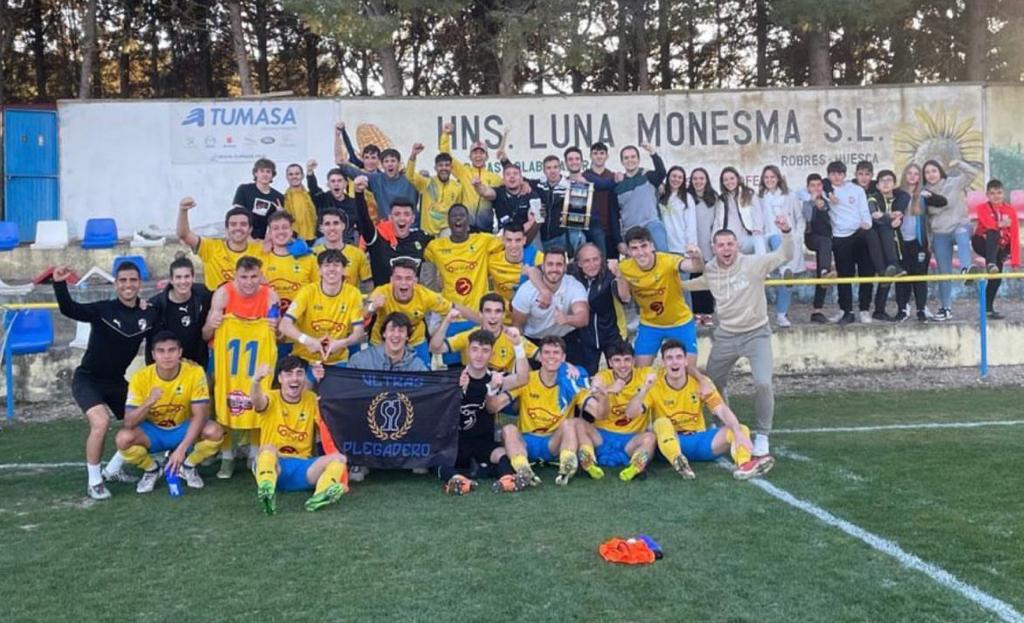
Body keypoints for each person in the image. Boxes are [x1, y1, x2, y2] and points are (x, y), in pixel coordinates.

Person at [680, 214, 793, 460]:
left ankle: (762, 434)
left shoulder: (754, 263)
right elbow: (696, 282)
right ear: (714, 248)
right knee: (711, 382)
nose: (726, 249)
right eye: (720, 245)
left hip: (757, 334)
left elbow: (785, 255)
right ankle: (723, 424)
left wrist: (786, 232)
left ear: (737, 245)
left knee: (763, 383)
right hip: (726, 336)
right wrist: (673, 284)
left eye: (730, 244)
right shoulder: (710, 269)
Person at [53, 261, 157, 499]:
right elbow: (70, 309)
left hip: (116, 381)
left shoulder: (148, 312)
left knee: (144, 419)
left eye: (133, 280)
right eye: (123, 281)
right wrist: (59, 283)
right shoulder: (103, 309)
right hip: (88, 379)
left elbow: (160, 326)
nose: (128, 285)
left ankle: (113, 469)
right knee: (100, 422)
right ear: (116, 284)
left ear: (139, 283)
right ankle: (95, 481)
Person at [625, 340, 773, 480]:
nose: (674, 362)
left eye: (678, 357)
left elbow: (722, 410)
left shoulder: (701, 383)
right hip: (668, 445)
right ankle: (678, 460)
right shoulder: (654, 385)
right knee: (661, 422)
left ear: (685, 361)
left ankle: (744, 466)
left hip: (698, 441)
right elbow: (630, 414)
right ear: (663, 363)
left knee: (740, 428)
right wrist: (644, 389)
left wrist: (738, 432)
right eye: (669, 358)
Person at [202, 256, 280, 480]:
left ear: (261, 275)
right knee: (222, 401)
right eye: (243, 277)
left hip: (257, 360)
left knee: (259, 401)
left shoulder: (270, 296)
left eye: (254, 276)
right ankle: (226, 455)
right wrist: (211, 324)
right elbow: (205, 334)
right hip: (227, 360)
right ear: (235, 276)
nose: (249, 282)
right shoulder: (223, 294)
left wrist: (275, 328)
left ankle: (255, 453)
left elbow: (279, 336)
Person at [116, 331, 223, 494]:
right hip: (153, 433)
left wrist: (182, 449)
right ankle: (152, 469)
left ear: (180, 352)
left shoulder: (195, 372)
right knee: (123, 439)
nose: (167, 356)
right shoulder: (140, 377)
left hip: (182, 428)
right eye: (161, 351)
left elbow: (200, 415)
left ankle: (188, 466)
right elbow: (129, 422)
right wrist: (149, 402)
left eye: (172, 350)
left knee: (214, 432)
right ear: (153, 354)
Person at [251, 357, 349, 514]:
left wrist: (321, 380)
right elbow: (257, 402)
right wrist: (256, 381)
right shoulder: (271, 397)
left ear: (304, 377)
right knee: (267, 449)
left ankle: (320, 495)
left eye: (299, 373)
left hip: (304, 470)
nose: (294, 378)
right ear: (280, 378)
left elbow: (329, 419)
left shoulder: (311, 399)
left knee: (340, 459)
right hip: (276, 467)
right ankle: (266, 488)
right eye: (289, 374)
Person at [441, 329, 531, 495]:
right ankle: (458, 481)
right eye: (475, 349)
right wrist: (458, 390)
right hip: (456, 442)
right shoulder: (453, 377)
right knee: (441, 459)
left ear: (491, 354)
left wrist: (518, 346)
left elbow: (523, 378)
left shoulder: (495, 378)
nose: (479, 355)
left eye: (485, 351)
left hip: (484, 442)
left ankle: (507, 480)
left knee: (503, 455)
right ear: (468, 351)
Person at [486, 336, 585, 487]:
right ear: (540, 356)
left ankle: (567, 467)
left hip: (554, 443)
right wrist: (492, 389)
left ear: (563, 357)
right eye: (546, 352)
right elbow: (493, 407)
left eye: (556, 353)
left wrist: (600, 390)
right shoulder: (527, 379)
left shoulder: (572, 381)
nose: (551, 357)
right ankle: (523, 469)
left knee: (570, 424)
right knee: (508, 429)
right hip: (527, 442)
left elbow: (596, 411)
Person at [614, 226, 703, 368]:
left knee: (688, 371)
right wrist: (619, 276)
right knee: (639, 372)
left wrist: (697, 256)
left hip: (680, 322)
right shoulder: (625, 267)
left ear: (652, 246)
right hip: (650, 325)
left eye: (644, 246)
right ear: (629, 251)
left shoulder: (668, 261)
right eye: (635, 248)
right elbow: (625, 298)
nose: (641, 252)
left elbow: (696, 268)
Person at [423, 205, 504, 359]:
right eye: (454, 216)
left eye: (462, 215)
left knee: (478, 364)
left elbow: (513, 240)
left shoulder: (484, 240)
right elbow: (423, 262)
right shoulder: (435, 247)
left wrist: (536, 220)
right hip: (451, 318)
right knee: (453, 369)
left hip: (477, 318)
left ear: (468, 221)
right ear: (448, 221)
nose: (458, 218)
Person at [367, 258, 475, 366]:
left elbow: (455, 307)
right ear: (391, 280)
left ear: (415, 281)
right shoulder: (381, 292)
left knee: (423, 377)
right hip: (382, 341)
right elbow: (362, 315)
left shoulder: (425, 295)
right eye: (398, 278)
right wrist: (373, 307)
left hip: (415, 341)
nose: (403, 283)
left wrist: (482, 321)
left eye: (408, 278)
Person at [577, 342, 656, 482]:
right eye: (617, 360)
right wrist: (609, 390)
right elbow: (595, 391)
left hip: (630, 439)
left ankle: (636, 466)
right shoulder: (603, 376)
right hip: (601, 437)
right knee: (578, 424)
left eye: (627, 360)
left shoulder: (644, 376)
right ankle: (588, 461)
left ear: (633, 361)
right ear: (610, 362)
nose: (623, 365)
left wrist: (643, 389)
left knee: (650, 438)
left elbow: (631, 413)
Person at [278, 249, 366, 368]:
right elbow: (284, 325)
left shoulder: (353, 293)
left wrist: (341, 343)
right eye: (327, 265)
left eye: (336, 265)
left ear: (344, 270)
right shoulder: (308, 291)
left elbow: (359, 333)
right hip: (304, 359)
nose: (331, 269)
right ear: (319, 271)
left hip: (338, 361)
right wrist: (307, 340)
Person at [924, 159, 983, 320]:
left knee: (961, 232)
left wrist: (958, 163)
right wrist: (929, 241)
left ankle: (966, 270)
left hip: (959, 226)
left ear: (940, 171)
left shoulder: (953, 183)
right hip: (939, 233)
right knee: (944, 273)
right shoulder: (924, 193)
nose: (931, 175)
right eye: (927, 172)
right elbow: (926, 221)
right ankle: (945, 308)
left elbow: (973, 174)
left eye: (934, 171)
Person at [824, 160, 882, 325]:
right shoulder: (825, 190)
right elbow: (821, 182)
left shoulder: (855, 190)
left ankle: (864, 309)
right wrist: (828, 193)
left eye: (840, 173)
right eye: (833, 173)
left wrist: (867, 224)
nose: (837, 177)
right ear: (829, 175)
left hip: (858, 233)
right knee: (844, 275)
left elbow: (864, 210)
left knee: (866, 272)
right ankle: (845, 310)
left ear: (845, 174)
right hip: (840, 237)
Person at [430, 293, 538, 372]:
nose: (493, 316)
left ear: (504, 315)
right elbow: (435, 348)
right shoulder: (468, 336)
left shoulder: (513, 337)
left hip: (501, 390)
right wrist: (446, 321)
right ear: (480, 314)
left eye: (498, 311)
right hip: (472, 388)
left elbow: (542, 356)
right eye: (488, 311)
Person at [755, 165, 806, 328]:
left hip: (788, 239)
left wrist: (797, 237)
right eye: (766, 178)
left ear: (778, 178)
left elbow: (800, 219)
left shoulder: (790, 196)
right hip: (769, 239)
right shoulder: (760, 198)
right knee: (777, 241)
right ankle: (785, 270)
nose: (769, 180)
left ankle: (781, 315)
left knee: (786, 283)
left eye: (772, 177)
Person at [177, 197, 263, 292]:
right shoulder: (211, 248)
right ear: (226, 229)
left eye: (243, 224)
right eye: (233, 224)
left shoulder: (260, 249)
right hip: (216, 304)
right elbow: (184, 235)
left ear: (250, 229)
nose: (238, 228)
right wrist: (183, 210)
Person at [356, 181, 434, 287]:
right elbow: (364, 220)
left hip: (412, 299)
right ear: (390, 218)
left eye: (406, 214)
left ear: (412, 219)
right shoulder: (378, 239)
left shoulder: (422, 237)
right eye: (397, 214)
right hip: (384, 299)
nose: (402, 218)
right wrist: (359, 193)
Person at [895, 164, 946, 322]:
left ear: (919, 177)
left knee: (920, 276)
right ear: (904, 175)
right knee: (902, 276)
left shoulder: (923, 194)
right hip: (900, 242)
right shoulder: (897, 193)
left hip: (919, 242)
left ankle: (921, 309)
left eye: (916, 174)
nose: (912, 176)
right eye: (909, 173)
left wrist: (929, 195)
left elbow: (942, 202)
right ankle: (902, 308)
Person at [566, 243, 626, 375]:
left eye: (595, 259)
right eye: (586, 261)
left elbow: (625, 298)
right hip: (583, 337)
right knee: (584, 377)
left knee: (621, 374)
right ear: (579, 263)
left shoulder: (610, 273)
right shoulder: (570, 273)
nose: (592, 264)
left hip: (611, 333)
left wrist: (620, 276)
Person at [511, 247, 589, 343]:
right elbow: (517, 326)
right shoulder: (526, 291)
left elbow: (583, 317)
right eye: (550, 264)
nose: (554, 269)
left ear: (565, 268)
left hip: (565, 338)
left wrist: (566, 318)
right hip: (534, 339)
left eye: (559, 264)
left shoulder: (574, 286)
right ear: (543, 267)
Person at [145, 257, 211, 369]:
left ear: (193, 277)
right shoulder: (156, 305)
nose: (183, 282)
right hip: (166, 368)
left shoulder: (202, 294)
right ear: (171, 280)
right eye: (178, 277)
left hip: (195, 366)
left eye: (187, 277)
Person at [438, 122, 502, 232]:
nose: (478, 156)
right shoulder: (463, 171)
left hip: (486, 226)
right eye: (475, 153)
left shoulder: (496, 178)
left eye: (481, 153)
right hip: (467, 226)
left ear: (487, 157)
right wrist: (445, 135)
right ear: (470, 156)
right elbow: (446, 155)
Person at [972, 179, 1020, 319]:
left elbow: (1015, 236)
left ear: (1003, 193)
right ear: (987, 195)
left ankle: (987, 309)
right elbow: (989, 225)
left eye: (999, 193)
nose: (996, 196)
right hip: (981, 241)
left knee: (996, 278)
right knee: (992, 231)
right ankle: (991, 263)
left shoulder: (1010, 211)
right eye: (992, 193)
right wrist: (1001, 224)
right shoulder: (982, 208)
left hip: (998, 248)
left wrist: (1015, 262)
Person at [866, 170, 908, 321]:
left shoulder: (899, 199)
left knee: (890, 277)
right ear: (877, 185)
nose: (885, 183)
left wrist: (892, 216)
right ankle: (877, 309)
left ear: (894, 184)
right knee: (885, 273)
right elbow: (873, 215)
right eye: (882, 181)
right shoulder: (873, 198)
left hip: (896, 242)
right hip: (876, 242)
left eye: (889, 180)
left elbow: (905, 201)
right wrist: (889, 219)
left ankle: (883, 310)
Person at [260, 211, 317, 314]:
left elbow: (318, 291)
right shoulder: (260, 259)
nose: (281, 232)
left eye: (285, 227)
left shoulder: (309, 258)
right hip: (269, 322)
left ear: (291, 231)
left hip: (300, 322)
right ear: (269, 233)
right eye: (276, 228)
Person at [487, 222, 544, 324]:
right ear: (503, 241)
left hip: (530, 320)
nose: (513, 245)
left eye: (518, 240)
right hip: (500, 319)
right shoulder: (492, 261)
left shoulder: (537, 258)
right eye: (509, 240)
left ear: (524, 240)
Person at [340, 146, 418, 221]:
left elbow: (425, 182)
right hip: (387, 228)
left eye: (393, 161)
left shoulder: (411, 179)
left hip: (411, 227)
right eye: (386, 161)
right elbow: (352, 170)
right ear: (382, 165)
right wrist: (342, 164)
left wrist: (413, 155)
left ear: (399, 163)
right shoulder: (376, 179)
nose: (390, 164)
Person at [406, 142, 467, 236]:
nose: (444, 168)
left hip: (446, 230)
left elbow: (458, 210)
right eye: (440, 165)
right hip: (427, 232)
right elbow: (410, 176)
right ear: (435, 168)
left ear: (451, 168)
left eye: (447, 165)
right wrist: (413, 155)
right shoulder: (427, 182)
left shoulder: (457, 187)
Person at [615, 143, 667, 253]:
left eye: (633, 157)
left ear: (638, 159)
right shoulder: (617, 185)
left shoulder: (648, 176)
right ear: (622, 162)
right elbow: (615, 215)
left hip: (652, 225)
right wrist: (619, 240)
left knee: (663, 259)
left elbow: (661, 173)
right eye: (626, 158)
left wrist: (652, 153)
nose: (630, 160)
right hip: (631, 230)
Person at [803, 174, 838, 324]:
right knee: (824, 268)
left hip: (828, 242)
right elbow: (807, 216)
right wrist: (813, 203)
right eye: (813, 186)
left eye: (818, 185)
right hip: (813, 238)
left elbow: (826, 181)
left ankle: (817, 311)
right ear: (808, 188)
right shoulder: (806, 202)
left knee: (822, 272)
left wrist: (826, 197)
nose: (816, 188)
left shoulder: (828, 200)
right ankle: (825, 271)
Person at [473, 162, 541, 240]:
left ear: (521, 179)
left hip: (528, 236)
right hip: (504, 238)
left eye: (515, 174)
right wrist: (477, 185)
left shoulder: (531, 194)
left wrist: (517, 234)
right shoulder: (499, 192)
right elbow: (485, 192)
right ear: (503, 180)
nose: (512, 177)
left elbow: (535, 220)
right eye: (508, 174)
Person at [312, 208, 372, 291]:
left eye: (336, 223)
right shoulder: (311, 254)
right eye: (327, 224)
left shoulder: (358, 254)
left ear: (343, 226)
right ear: (321, 228)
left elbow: (367, 286)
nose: (332, 228)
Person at [349, 311, 430, 373]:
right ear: (384, 333)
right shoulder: (360, 361)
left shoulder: (418, 367)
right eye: (392, 330)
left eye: (401, 331)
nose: (396, 335)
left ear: (407, 337)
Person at [687, 167, 718, 324]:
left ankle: (707, 313)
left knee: (707, 278)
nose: (698, 181)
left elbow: (717, 221)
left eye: (701, 178)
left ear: (706, 180)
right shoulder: (686, 198)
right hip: (692, 243)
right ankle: (697, 313)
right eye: (695, 179)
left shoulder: (714, 198)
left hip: (708, 243)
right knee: (694, 277)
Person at [583, 142, 623, 258]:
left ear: (607, 156)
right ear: (590, 156)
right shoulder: (584, 177)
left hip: (611, 230)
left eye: (602, 153)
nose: (599, 156)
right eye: (595, 153)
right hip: (590, 231)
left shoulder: (613, 176)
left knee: (611, 266)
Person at [306, 162, 360, 243]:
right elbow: (313, 189)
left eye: (339, 181)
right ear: (328, 184)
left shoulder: (354, 203)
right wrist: (310, 173)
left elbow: (360, 226)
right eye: (333, 181)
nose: (336, 184)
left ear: (345, 184)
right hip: (325, 240)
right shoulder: (322, 198)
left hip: (346, 241)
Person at [714, 166, 762, 255]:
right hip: (729, 241)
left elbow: (758, 215)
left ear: (738, 179)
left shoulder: (749, 194)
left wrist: (757, 229)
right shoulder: (721, 200)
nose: (729, 182)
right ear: (722, 182)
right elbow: (717, 222)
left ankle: (765, 267)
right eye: (726, 180)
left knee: (759, 240)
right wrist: (713, 241)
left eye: (732, 178)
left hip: (747, 238)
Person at [232, 157, 283, 239]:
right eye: (262, 171)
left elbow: (275, 224)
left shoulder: (278, 197)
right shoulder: (244, 189)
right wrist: (247, 236)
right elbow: (237, 214)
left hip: (263, 240)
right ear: (255, 173)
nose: (265, 174)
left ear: (272, 175)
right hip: (242, 236)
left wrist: (280, 214)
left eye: (268, 172)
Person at [660, 166, 698, 255]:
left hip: (681, 247)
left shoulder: (687, 198)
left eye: (680, 177)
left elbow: (691, 225)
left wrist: (691, 245)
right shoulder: (661, 195)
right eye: (674, 176)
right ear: (668, 177)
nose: (676, 179)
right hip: (663, 246)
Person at [282, 162, 318, 244]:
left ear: (302, 176)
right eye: (290, 174)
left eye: (297, 174)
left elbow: (314, 187)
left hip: (314, 238)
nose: (294, 176)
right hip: (293, 240)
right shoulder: (282, 199)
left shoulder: (311, 195)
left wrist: (310, 171)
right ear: (287, 177)